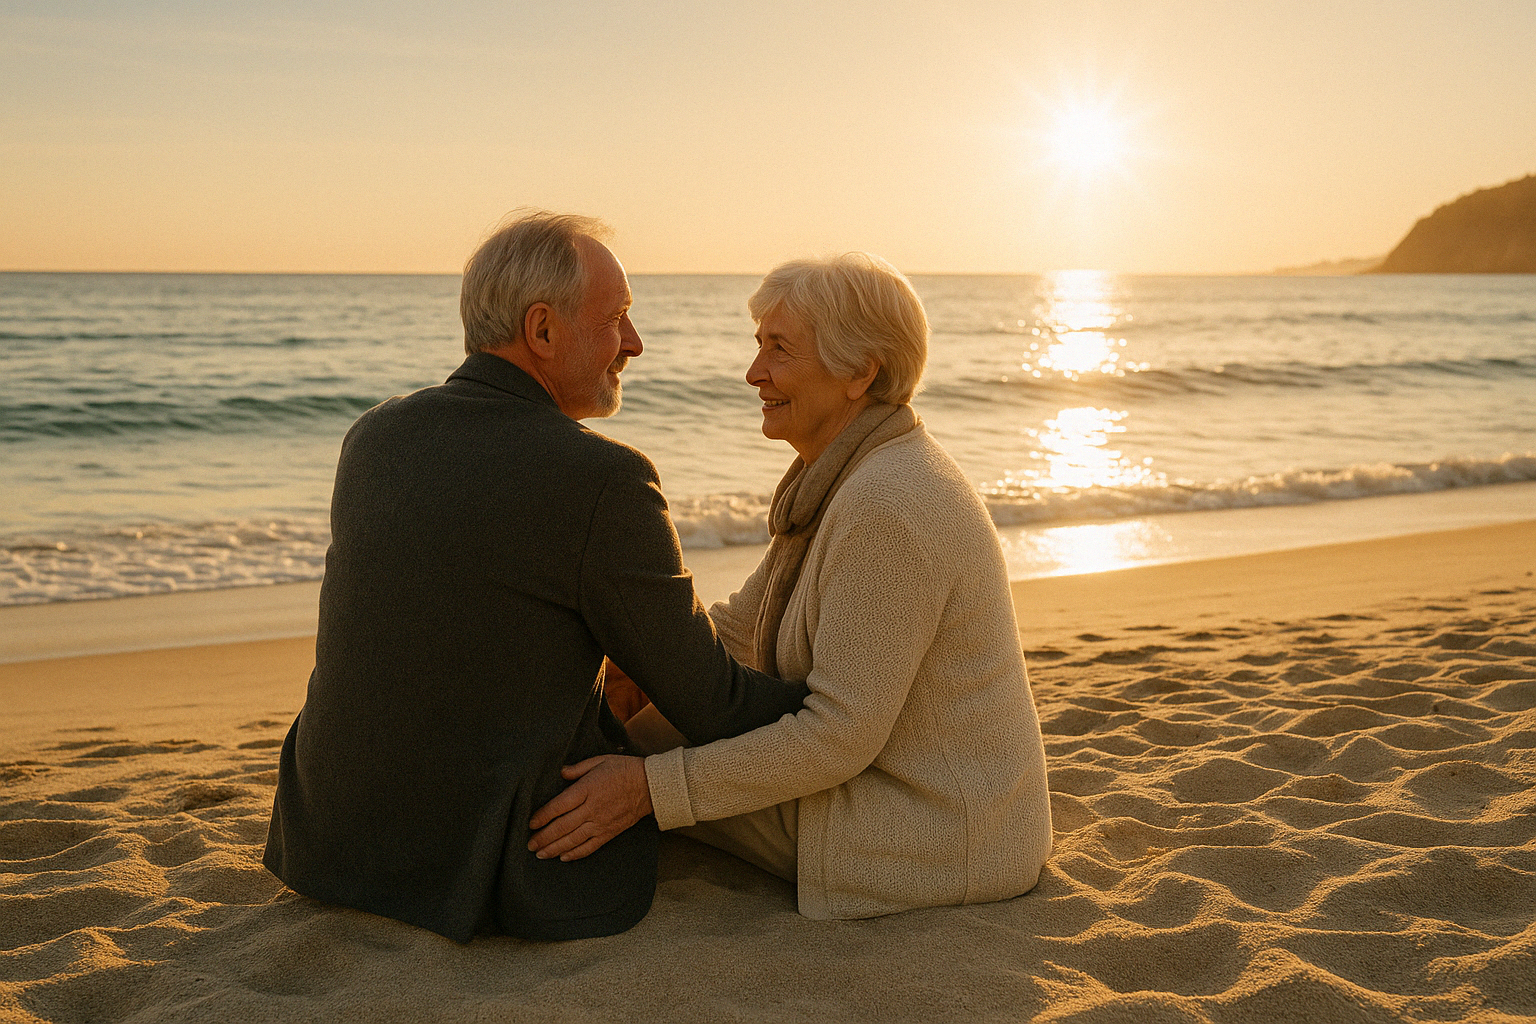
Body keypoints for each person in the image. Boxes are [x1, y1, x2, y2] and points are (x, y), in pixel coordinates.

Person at [262, 212, 808, 943]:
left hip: (327, 842)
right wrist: (833, 706)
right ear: (543, 330)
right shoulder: (603, 478)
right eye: (616, 319)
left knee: (612, 666)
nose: (635, 343)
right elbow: (715, 704)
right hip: (486, 872)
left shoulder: (374, 435)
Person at [529, 253, 1053, 920]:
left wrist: (646, 789)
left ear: (860, 371)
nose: (754, 373)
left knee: (610, 772)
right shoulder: (844, 472)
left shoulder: (889, 505)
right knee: (623, 738)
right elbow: (738, 630)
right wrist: (629, 665)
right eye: (759, 346)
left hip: (940, 834)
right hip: (899, 792)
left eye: (779, 349)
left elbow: (837, 734)